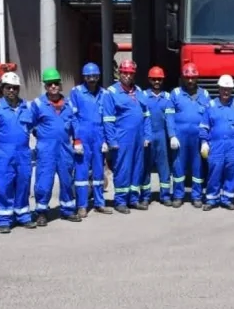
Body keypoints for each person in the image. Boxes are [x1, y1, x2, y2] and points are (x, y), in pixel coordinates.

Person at [31, 68, 82, 225]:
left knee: (67, 180)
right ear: (45, 86)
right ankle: (41, 212)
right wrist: (42, 136)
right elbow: (30, 124)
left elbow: (75, 123)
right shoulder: (38, 104)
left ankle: (68, 210)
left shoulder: (69, 103)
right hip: (46, 149)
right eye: (49, 84)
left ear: (60, 85)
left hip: (65, 149)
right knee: (44, 182)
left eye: (55, 83)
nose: (53, 86)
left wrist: (77, 140)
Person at [0, 72, 36, 234]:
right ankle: (4, 219)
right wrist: (2, 146)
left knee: (23, 183)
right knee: (3, 185)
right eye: (8, 87)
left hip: (23, 153)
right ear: (3, 88)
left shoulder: (27, 107)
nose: (12, 90)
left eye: (15, 88)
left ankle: (23, 215)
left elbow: (32, 128)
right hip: (3, 154)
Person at [102, 59, 152, 214]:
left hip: (139, 138)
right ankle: (120, 201)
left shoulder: (139, 91)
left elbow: (146, 115)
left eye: (130, 73)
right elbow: (108, 119)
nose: (128, 76)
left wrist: (147, 135)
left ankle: (133, 199)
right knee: (123, 168)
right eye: (125, 73)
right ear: (119, 73)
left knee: (137, 167)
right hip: (122, 138)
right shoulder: (111, 92)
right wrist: (112, 140)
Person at [199, 75, 234, 211]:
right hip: (216, 145)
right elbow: (204, 126)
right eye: (223, 89)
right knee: (214, 172)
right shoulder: (211, 105)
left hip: (233, 145)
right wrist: (204, 142)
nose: (226, 92)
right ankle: (211, 199)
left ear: (232, 90)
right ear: (219, 89)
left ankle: (228, 199)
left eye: (228, 89)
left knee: (231, 173)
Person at [166, 62, 210, 208]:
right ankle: (178, 195)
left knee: (198, 166)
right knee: (178, 166)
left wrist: (206, 139)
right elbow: (169, 116)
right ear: (183, 78)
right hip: (180, 137)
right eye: (187, 77)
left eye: (193, 77)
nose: (190, 80)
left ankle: (197, 196)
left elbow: (209, 117)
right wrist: (172, 135)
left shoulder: (205, 94)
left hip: (198, 137)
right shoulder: (176, 93)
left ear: (197, 78)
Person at [70, 62, 110, 217]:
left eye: (94, 76)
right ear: (84, 77)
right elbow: (73, 117)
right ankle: (82, 205)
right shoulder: (76, 92)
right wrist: (77, 139)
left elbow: (107, 118)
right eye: (88, 77)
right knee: (81, 172)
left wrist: (106, 139)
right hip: (83, 136)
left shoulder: (104, 94)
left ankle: (99, 203)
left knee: (99, 171)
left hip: (99, 136)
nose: (92, 79)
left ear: (99, 77)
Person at [141, 65, 172, 207]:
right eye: (154, 79)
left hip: (162, 136)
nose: (157, 82)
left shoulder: (168, 97)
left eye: (159, 79)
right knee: (145, 167)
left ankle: (165, 195)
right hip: (148, 136)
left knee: (164, 166)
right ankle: (145, 196)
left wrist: (172, 136)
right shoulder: (143, 96)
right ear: (149, 80)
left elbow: (171, 119)